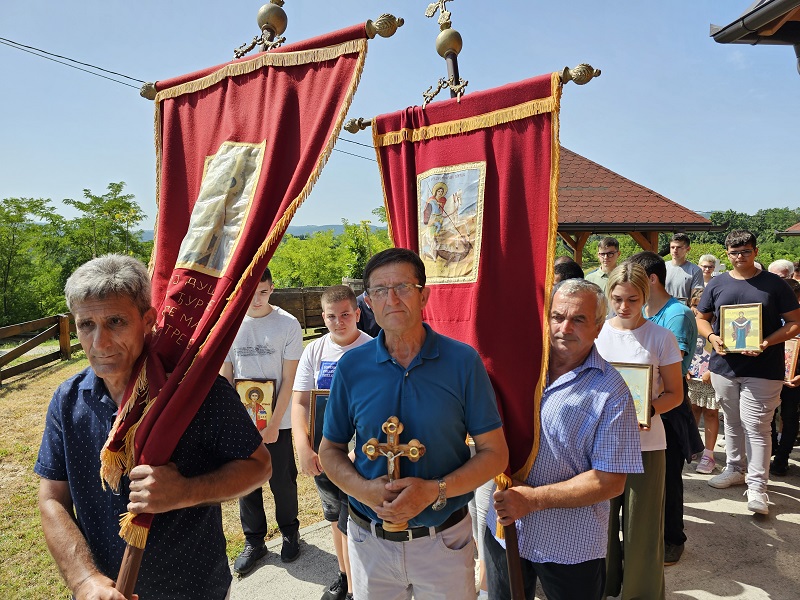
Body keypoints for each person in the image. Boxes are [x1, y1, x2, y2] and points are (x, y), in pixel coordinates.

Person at [35, 254, 272, 600]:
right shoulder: (68, 400)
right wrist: (85, 580)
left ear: (148, 321)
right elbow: (52, 498)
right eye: (87, 325)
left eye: (115, 321)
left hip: (193, 588)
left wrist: (186, 491)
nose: (99, 343)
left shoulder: (197, 392)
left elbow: (260, 465)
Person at [319, 248, 509, 600]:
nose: (391, 299)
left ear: (424, 295)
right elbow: (329, 449)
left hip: (443, 543)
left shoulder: (463, 362)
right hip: (369, 541)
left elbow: (495, 454)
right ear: (368, 302)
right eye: (379, 290)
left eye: (403, 286)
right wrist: (364, 491)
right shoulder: (351, 367)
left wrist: (434, 490)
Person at [485, 278, 643, 600]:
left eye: (579, 319)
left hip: (571, 547)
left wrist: (532, 500)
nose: (564, 327)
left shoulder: (612, 393)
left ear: (598, 327)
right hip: (505, 531)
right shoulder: (517, 370)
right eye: (557, 317)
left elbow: (610, 482)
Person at [595, 262, 684, 600]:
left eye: (632, 299)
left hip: (647, 445)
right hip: (600, 445)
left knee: (642, 528)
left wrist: (643, 411)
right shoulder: (597, 334)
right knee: (600, 522)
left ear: (644, 296)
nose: (624, 307)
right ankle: (601, 587)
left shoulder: (661, 337)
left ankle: (640, 593)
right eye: (617, 298)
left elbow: (675, 395)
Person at [696, 230, 800, 515]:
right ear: (727, 254)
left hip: (764, 368)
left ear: (755, 251)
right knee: (731, 421)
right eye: (734, 253)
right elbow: (702, 318)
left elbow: (794, 323)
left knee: (756, 426)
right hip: (724, 367)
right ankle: (734, 468)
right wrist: (712, 338)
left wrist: (767, 342)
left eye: (745, 251)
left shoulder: (775, 285)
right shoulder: (717, 283)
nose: (739, 257)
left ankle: (757, 486)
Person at [291, 285, 373, 600]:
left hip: (361, 456)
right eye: (330, 316)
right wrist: (302, 446)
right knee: (334, 518)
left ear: (357, 314)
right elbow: (300, 403)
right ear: (322, 317)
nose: (338, 322)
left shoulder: (373, 349)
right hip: (324, 453)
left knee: (356, 519)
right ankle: (344, 575)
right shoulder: (314, 351)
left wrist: (359, 449)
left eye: (344, 315)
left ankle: (361, 582)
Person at [222, 266, 304, 573]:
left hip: (277, 421)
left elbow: (289, 377)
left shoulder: (287, 324)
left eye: (264, 292)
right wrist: (231, 420)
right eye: (250, 293)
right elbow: (226, 374)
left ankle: (291, 533)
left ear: (272, 288)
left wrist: (273, 424)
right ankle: (254, 541)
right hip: (242, 421)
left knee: (283, 481)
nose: (257, 299)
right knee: (246, 483)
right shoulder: (231, 324)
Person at [627, 251, 703, 566]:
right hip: (641, 403)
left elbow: (671, 362)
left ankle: (673, 539)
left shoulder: (677, 314)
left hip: (667, 408)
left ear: (652, 279)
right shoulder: (644, 309)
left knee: (668, 477)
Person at [687, 287, 721, 475]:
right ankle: (693, 445)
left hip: (711, 375)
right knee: (692, 410)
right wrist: (684, 368)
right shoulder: (688, 323)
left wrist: (712, 370)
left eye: (701, 306)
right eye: (694, 305)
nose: (697, 310)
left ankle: (709, 454)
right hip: (692, 374)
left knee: (710, 413)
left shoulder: (717, 326)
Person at [771, 278, 800, 477]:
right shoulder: (770, 315)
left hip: (794, 379)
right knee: (767, 415)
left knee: (789, 417)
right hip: (771, 374)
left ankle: (782, 458)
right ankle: (771, 449)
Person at [665, 232, 703, 303]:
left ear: (688, 249)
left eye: (679, 247)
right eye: (672, 247)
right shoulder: (662, 267)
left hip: (684, 311)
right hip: (663, 310)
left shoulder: (695, 270)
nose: (675, 250)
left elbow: (696, 298)